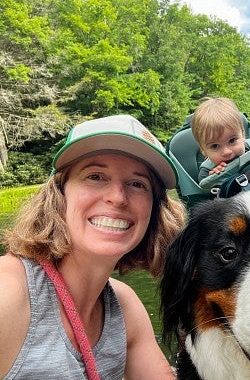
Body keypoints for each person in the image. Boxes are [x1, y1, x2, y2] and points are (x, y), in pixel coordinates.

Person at [0, 114, 187, 380]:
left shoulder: (124, 308)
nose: (117, 197)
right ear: (59, 194)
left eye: (137, 184)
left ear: (155, 211)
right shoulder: (8, 292)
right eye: (95, 176)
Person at [191, 97, 250, 182]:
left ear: (243, 134)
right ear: (203, 149)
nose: (226, 152)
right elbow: (207, 190)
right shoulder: (206, 172)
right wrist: (216, 179)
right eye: (215, 146)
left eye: (232, 140)